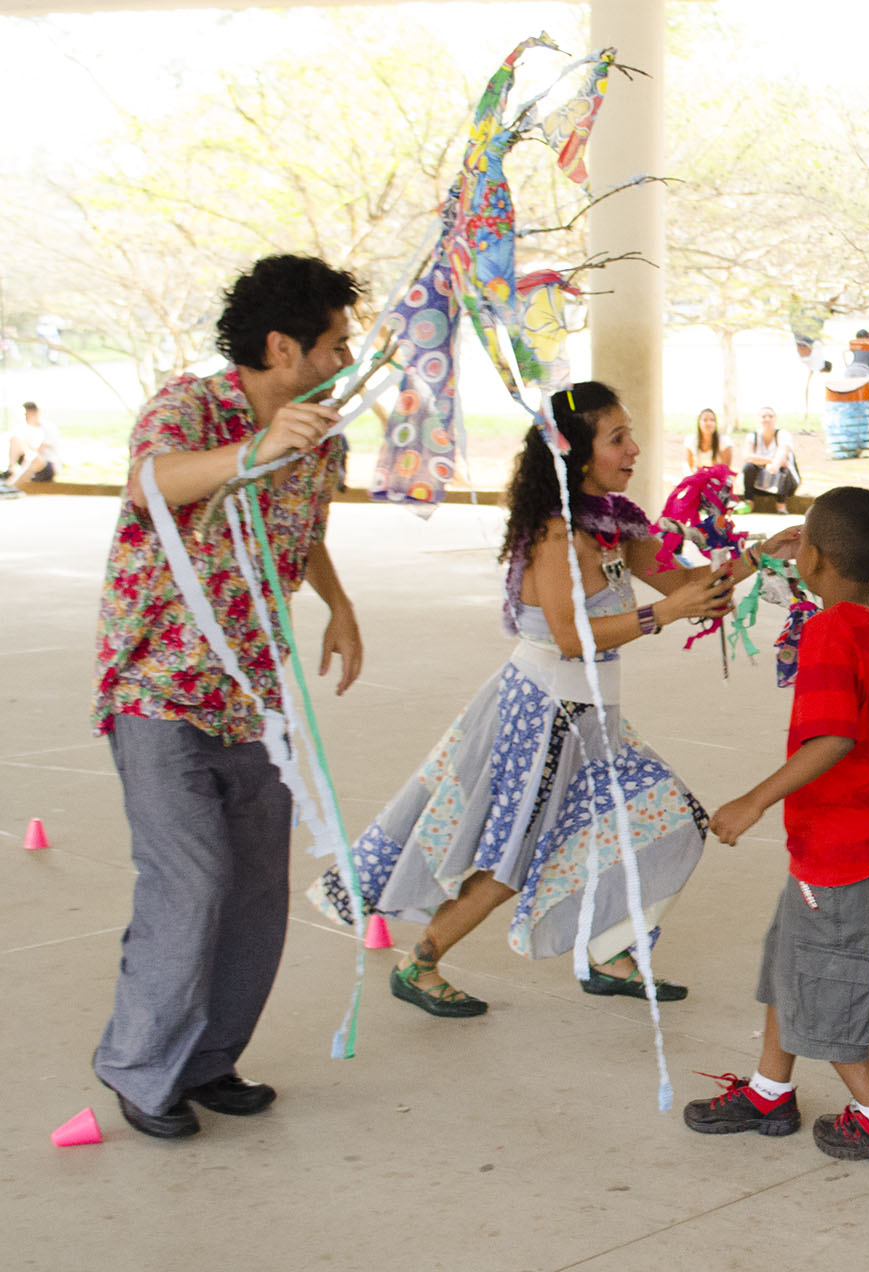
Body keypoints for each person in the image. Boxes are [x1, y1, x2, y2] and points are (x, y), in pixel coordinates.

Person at [310, 383, 741, 1016]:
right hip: (544, 715)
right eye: (617, 438)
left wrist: (765, 558)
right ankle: (421, 963)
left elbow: (687, 584)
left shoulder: (617, 522)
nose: (634, 448)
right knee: (511, 855)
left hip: (592, 718)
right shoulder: (556, 535)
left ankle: (609, 949)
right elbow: (571, 640)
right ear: (576, 452)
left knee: (664, 816)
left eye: (630, 434)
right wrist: (664, 614)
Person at [91, 254, 366, 1139]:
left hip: (252, 691)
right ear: (282, 347)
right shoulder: (189, 407)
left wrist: (339, 603)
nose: (345, 359)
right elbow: (150, 484)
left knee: (255, 887)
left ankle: (208, 1061)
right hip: (157, 685)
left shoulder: (322, 434)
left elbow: (303, 527)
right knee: (192, 879)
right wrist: (255, 448)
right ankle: (139, 1067)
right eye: (333, 344)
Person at [686, 486, 869, 1167]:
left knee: (827, 987)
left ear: (815, 558)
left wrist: (753, 800)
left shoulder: (829, 633)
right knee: (790, 965)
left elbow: (833, 739)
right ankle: (769, 1091)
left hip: (841, 853)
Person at [740, 406, 800, 513]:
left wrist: (775, 464)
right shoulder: (752, 436)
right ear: (758, 419)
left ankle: (781, 506)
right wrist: (770, 461)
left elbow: (782, 453)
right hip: (760, 482)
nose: (767, 419)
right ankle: (749, 502)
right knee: (748, 467)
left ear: (775, 419)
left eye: (770, 416)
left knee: (784, 469)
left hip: (785, 481)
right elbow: (748, 456)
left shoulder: (783, 434)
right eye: (764, 416)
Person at [3, 400, 61, 487]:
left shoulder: (47, 428)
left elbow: (39, 451)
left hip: (47, 467)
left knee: (35, 459)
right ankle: (11, 470)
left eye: (27, 414)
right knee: (14, 439)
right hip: (28, 464)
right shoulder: (23, 429)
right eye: (24, 414)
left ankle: (12, 485)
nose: (25, 417)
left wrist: (27, 457)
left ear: (35, 413)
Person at [685, 406, 732, 474]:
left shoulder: (725, 441)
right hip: (699, 477)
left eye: (712, 420)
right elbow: (691, 467)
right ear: (699, 423)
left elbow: (725, 469)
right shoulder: (691, 440)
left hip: (719, 478)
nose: (709, 423)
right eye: (705, 420)